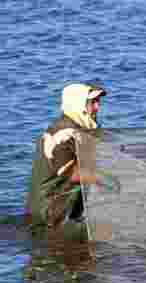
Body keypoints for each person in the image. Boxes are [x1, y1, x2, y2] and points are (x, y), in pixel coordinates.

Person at [25, 83, 107, 241]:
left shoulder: (79, 128)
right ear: (78, 104)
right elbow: (70, 174)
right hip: (49, 214)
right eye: (92, 103)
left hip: (66, 208)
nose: (97, 107)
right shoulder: (62, 134)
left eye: (98, 102)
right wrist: (106, 178)